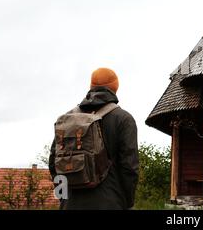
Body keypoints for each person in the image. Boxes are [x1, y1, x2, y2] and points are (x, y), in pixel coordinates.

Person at [49, 67, 139, 210]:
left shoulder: (68, 119)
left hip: (70, 204)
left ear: (91, 87)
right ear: (115, 88)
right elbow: (129, 168)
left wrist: (64, 198)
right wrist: (127, 202)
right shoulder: (123, 119)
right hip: (110, 203)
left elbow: (54, 163)